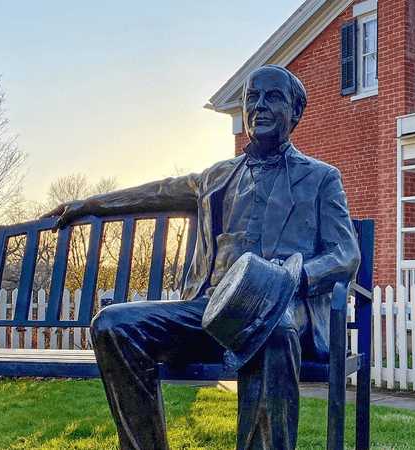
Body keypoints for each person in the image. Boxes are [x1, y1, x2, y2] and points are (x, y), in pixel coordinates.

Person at [44, 65, 360, 450]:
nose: (259, 105)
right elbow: (155, 192)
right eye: (252, 97)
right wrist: (88, 204)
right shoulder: (215, 177)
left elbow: (345, 254)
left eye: (273, 97)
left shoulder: (321, 178)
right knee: (112, 324)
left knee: (270, 325)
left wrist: (294, 278)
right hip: (206, 313)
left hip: (280, 311)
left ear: (295, 111)